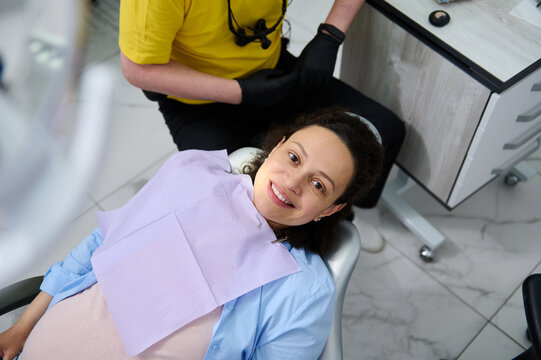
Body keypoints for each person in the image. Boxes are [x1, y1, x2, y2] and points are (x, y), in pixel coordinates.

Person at [0, 109, 384, 360]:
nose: (293, 182)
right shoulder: (190, 176)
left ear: (332, 208)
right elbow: (99, 245)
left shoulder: (305, 290)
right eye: (294, 158)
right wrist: (20, 328)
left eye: (319, 185)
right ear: (277, 147)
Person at [118, 0, 405, 211]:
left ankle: (343, 209)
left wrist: (331, 35)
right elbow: (138, 70)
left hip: (272, 70)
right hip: (199, 102)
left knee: (386, 130)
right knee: (248, 206)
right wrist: (240, 92)